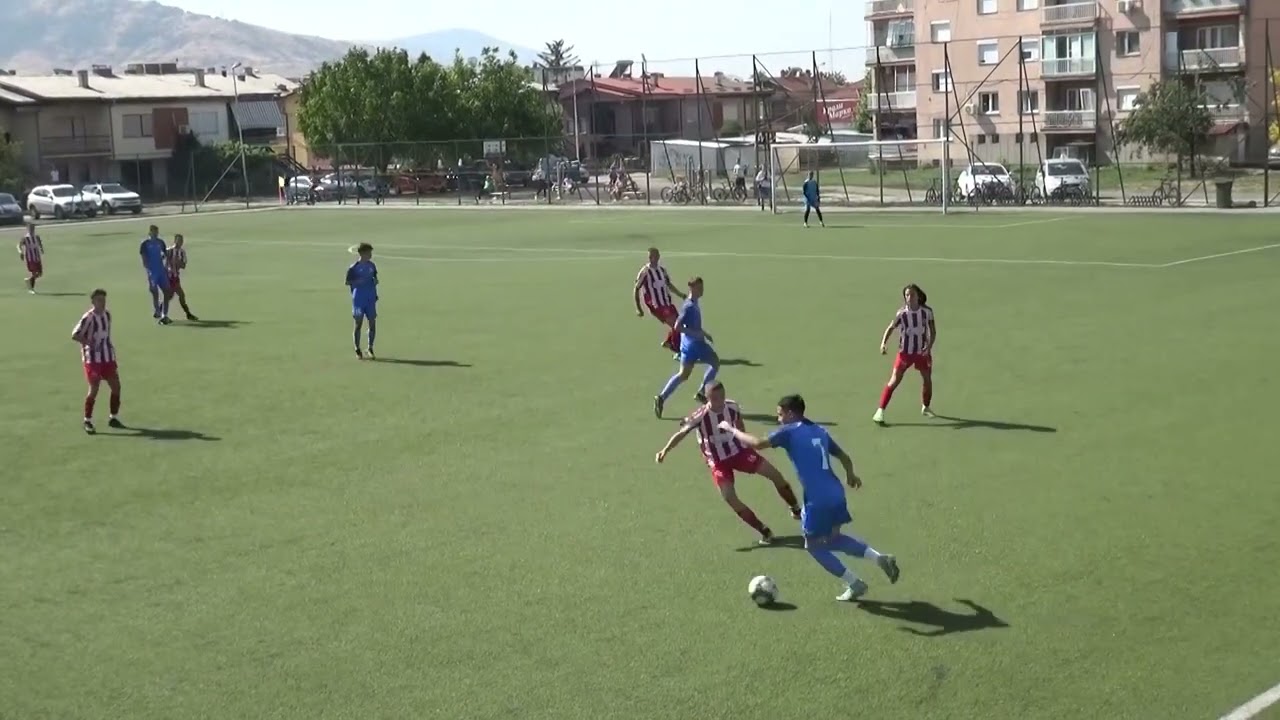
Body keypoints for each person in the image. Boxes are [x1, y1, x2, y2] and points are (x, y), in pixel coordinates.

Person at [718, 394, 900, 601]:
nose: (778, 419)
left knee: (813, 546)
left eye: (780, 414)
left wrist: (732, 429)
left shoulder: (789, 431)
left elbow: (757, 444)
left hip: (817, 498)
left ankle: (854, 583)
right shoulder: (819, 430)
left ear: (790, 414)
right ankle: (879, 558)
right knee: (833, 539)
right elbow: (844, 456)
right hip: (836, 492)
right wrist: (851, 475)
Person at [655, 381, 801, 544]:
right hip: (718, 462)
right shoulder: (699, 416)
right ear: (707, 399)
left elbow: (739, 424)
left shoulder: (732, 406)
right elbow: (681, 434)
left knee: (775, 474)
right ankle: (764, 530)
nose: (720, 401)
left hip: (739, 452)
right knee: (729, 497)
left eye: (722, 397)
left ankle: (796, 509)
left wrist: (745, 439)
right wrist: (665, 450)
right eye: (715, 398)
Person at [653, 277, 720, 418]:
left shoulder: (693, 303)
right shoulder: (688, 306)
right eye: (699, 288)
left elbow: (692, 325)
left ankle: (661, 397)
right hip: (695, 344)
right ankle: (702, 392)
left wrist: (704, 333)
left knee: (683, 374)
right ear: (692, 288)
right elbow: (677, 326)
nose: (702, 290)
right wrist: (696, 334)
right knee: (715, 362)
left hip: (687, 344)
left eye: (702, 287)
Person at [874, 284, 936, 424]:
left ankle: (925, 406)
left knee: (927, 380)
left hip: (922, 352)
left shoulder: (927, 312)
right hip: (905, 353)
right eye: (907, 295)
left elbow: (933, 331)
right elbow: (891, 328)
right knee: (894, 381)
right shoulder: (901, 313)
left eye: (912, 294)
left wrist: (929, 347)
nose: (909, 297)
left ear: (918, 296)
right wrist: (883, 343)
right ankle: (880, 411)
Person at [71, 288, 124, 434]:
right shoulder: (88, 317)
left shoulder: (107, 315)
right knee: (94, 389)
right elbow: (75, 335)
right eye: (100, 300)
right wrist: (89, 343)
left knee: (116, 387)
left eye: (104, 300)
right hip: (92, 359)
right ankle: (87, 420)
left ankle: (113, 417)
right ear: (93, 301)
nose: (103, 302)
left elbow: (106, 335)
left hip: (107, 357)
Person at [633, 247, 686, 355]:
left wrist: (680, 294)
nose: (652, 258)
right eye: (650, 256)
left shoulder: (662, 270)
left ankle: (668, 342)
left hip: (667, 303)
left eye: (655, 255)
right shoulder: (645, 272)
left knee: (680, 323)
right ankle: (677, 350)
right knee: (676, 325)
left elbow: (669, 285)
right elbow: (636, 289)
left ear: (658, 256)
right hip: (657, 305)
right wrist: (638, 308)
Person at [346, 242, 379, 359]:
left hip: (370, 298)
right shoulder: (353, 268)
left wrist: (375, 285)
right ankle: (357, 349)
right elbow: (347, 282)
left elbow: (375, 278)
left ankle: (370, 348)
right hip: (359, 299)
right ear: (362, 253)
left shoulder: (372, 266)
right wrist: (357, 282)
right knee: (358, 324)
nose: (371, 254)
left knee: (372, 322)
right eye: (369, 252)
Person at [138, 225, 173, 324]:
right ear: (150, 232)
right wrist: (149, 271)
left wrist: (166, 265)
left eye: (157, 232)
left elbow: (165, 254)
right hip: (152, 272)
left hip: (161, 271)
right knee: (155, 292)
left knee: (167, 291)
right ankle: (157, 311)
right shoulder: (145, 244)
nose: (156, 234)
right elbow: (144, 259)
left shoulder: (160, 242)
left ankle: (164, 314)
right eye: (154, 232)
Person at [165, 234, 199, 321]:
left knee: (174, 296)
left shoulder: (182, 252)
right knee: (175, 295)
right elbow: (161, 261)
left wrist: (178, 262)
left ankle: (160, 313)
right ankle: (188, 314)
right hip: (168, 277)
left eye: (181, 241)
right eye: (178, 240)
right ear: (174, 241)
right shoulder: (168, 251)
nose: (180, 242)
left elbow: (183, 266)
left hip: (176, 277)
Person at [17, 222, 43, 294]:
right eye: (30, 228)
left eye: (33, 228)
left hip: (37, 257)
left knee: (39, 274)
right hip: (30, 258)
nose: (32, 229)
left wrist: (41, 249)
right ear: (27, 229)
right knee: (35, 272)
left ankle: (29, 281)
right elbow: (18, 245)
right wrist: (20, 252)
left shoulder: (36, 237)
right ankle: (31, 289)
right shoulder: (25, 238)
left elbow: (40, 243)